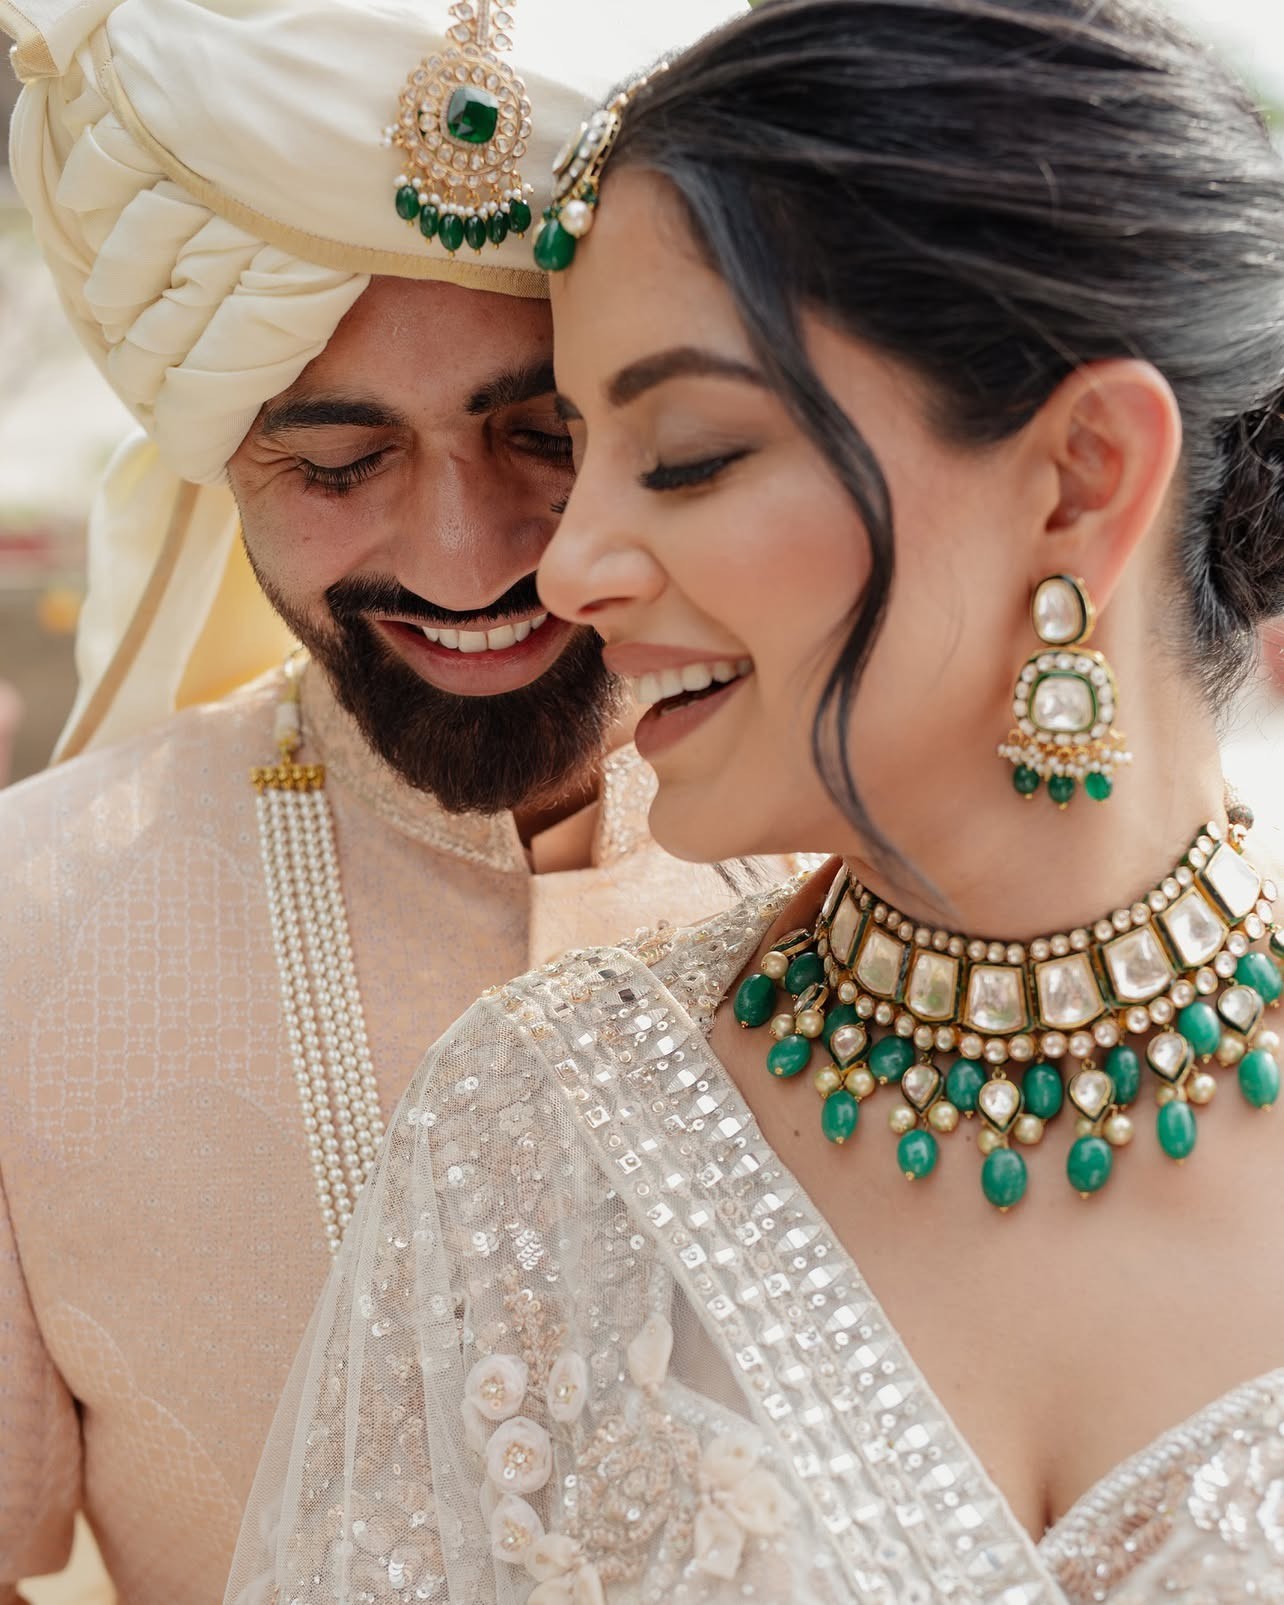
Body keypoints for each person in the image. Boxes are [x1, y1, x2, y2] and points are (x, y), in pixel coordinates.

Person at [228, 0, 1284, 1600]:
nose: (565, 564)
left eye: (694, 452)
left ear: (1080, 476)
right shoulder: (534, 1132)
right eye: (578, 451)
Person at [0, 0, 756, 1598]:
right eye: (338, 466)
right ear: (221, 460)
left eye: (545, 433)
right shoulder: (27, 929)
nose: (472, 556)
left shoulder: (888, 859)